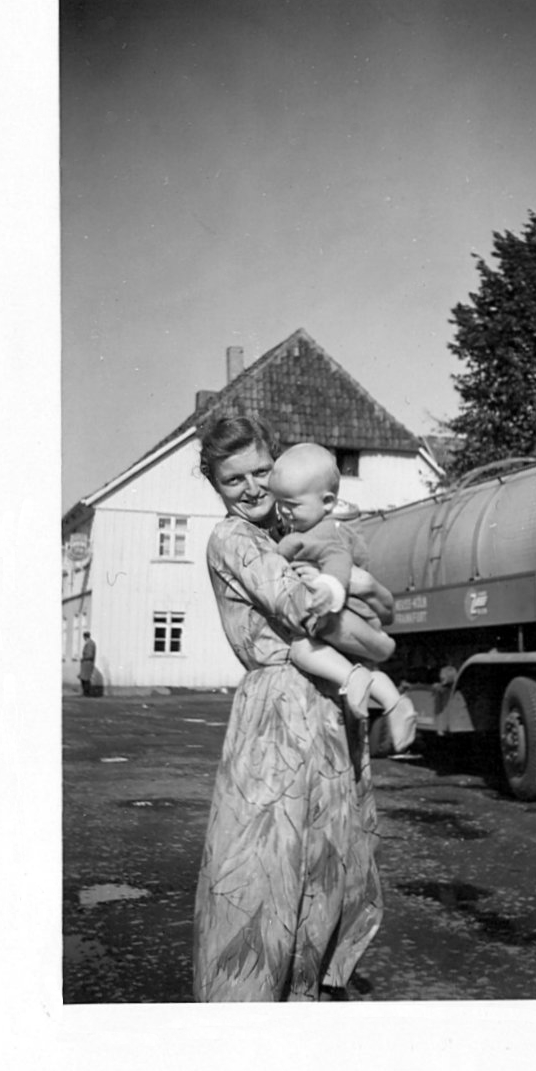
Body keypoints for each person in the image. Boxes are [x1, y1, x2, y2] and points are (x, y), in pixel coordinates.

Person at [193, 412, 394, 1002]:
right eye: (235, 481)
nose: (252, 488)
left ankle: (305, 994)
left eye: (260, 472)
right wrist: (358, 591)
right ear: (215, 486)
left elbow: (371, 600)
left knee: (329, 856)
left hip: (328, 709)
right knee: (262, 865)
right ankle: (244, 1013)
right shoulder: (231, 538)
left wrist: (361, 596)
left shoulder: (286, 524)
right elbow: (303, 603)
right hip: (277, 711)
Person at [268, 442, 417, 754]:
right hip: (355, 619)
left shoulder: (325, 534)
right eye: (278, 503)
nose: (283, 512)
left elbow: (337, 562)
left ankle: (354, 679)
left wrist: (328, 588)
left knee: (301, 650)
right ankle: (394, 704)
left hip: (345, 614)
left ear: (327, 502)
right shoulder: (313, 527)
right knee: (365, 668)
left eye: (291, 505)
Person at [79, 632, 96, 698]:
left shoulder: (90, 644)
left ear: (85, 637)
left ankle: (87, 693)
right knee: (84, 678)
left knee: (85, 679)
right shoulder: (90, 643)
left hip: (87, 663)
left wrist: (83, 659)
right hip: (86, 662)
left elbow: (90, 655)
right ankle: (86, 692)